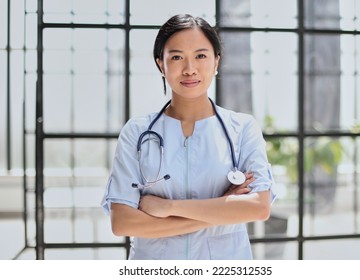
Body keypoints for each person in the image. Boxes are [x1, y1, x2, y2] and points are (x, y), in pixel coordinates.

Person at [101, 14, 276, 260]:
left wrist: (168, 208)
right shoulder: (137, 132)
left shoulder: (243, 128)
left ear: (216, 62)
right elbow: (123, 222)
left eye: (201, 56)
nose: (189, 69)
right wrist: (223, 205)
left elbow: (259, 208)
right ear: (161, 65)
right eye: (176, 57)